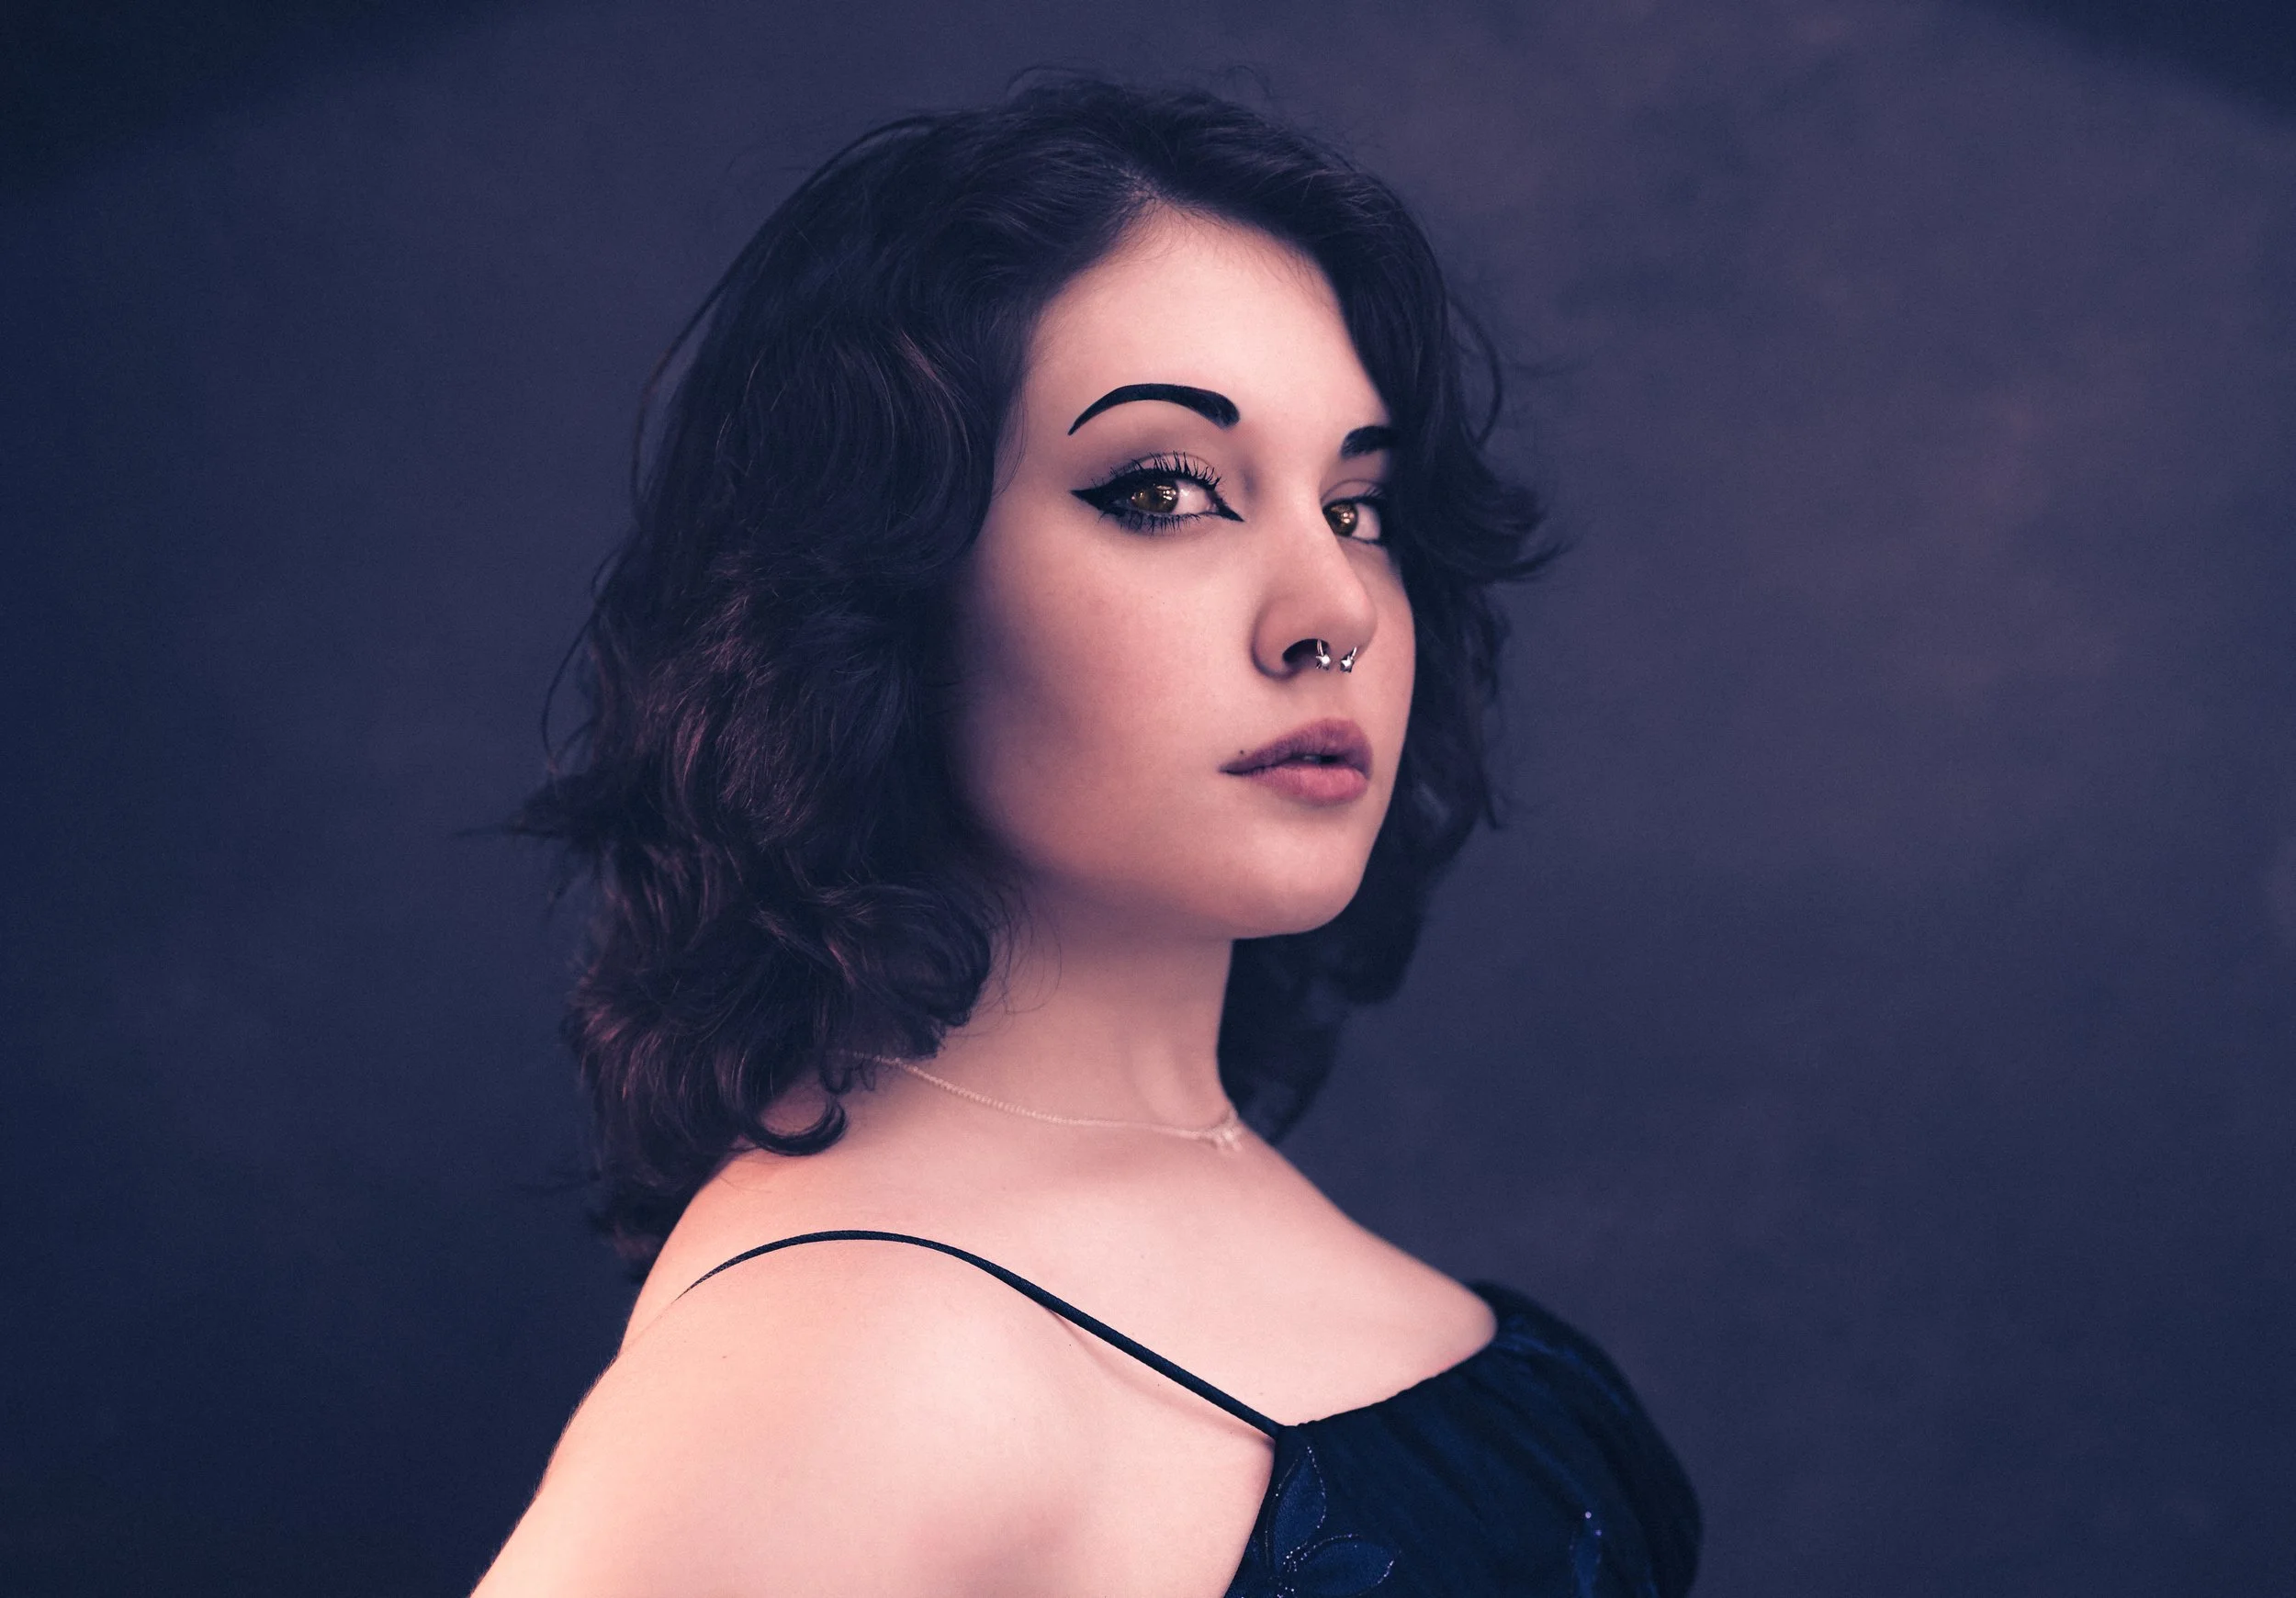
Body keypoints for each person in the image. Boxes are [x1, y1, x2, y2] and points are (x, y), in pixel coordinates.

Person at [479, 77, 1699, 1598]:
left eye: (1360, 506)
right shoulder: (853, 1364)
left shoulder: (1183, 1183)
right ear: (880, 588)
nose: (1332, 610)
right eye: (1167, 491)